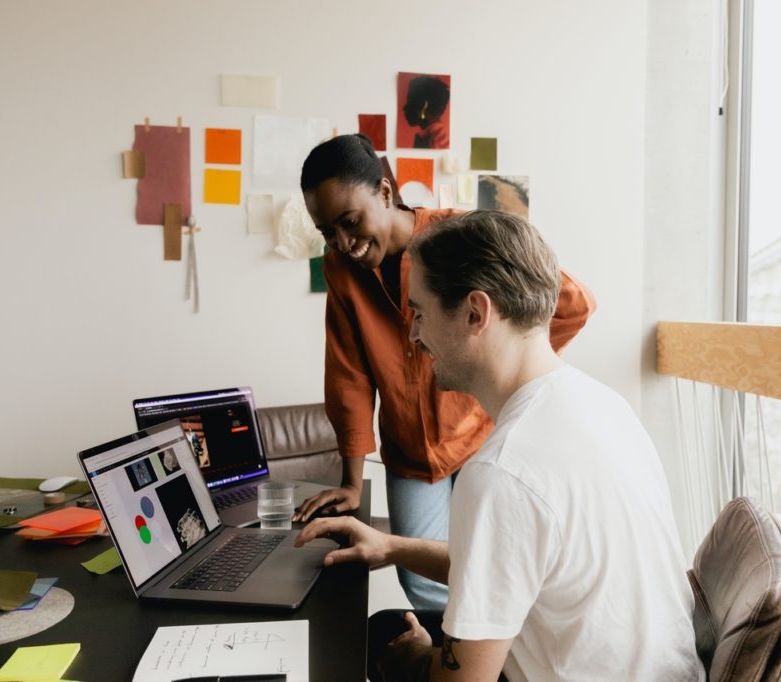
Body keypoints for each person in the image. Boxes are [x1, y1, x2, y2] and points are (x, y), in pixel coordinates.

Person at [295, 210, 703, 681]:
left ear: (475, 312)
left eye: (420, 313)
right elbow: (515, 562)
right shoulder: (606, 406)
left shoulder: (503, 471)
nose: (413, 334)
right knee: (385, 627)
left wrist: (415, 661)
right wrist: (391, 547)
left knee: (379, 645)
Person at [297, 134, 596, 610]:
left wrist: (506, 376)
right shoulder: (339, 270)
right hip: (410, 452)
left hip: (484, 437)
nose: (343, 243)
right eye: (328, 232)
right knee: (422, 582)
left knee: (498, 568)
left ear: (386, 193)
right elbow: (348, 374)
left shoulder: (458, 238)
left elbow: (571, 304)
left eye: (350, 222)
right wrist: (352, 482)